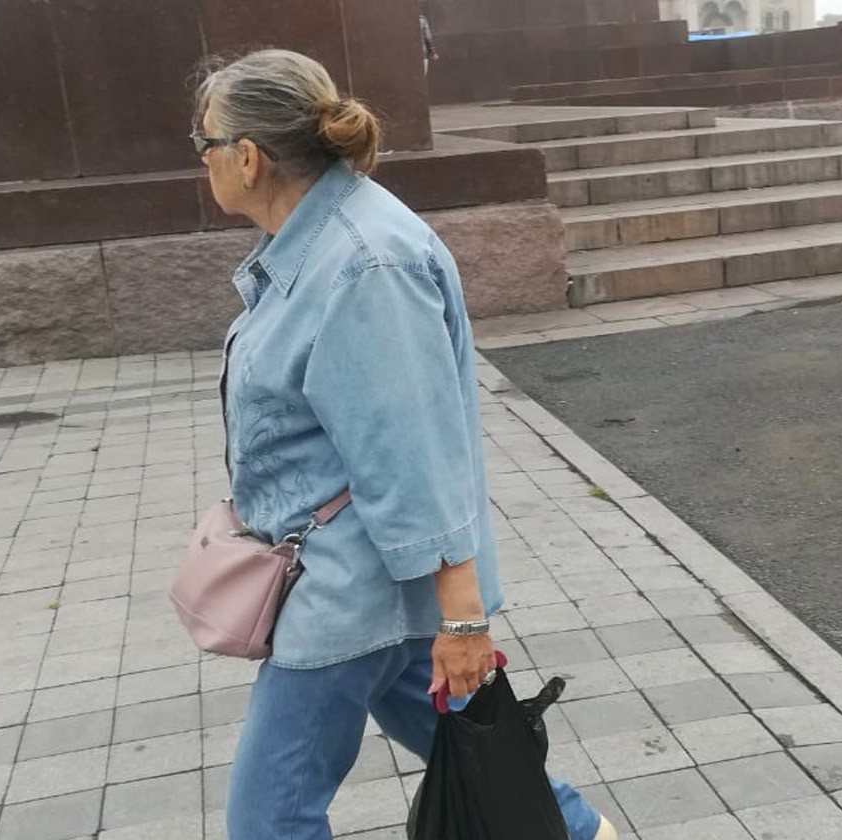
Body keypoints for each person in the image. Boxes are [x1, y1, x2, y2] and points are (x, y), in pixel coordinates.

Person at [189, 49, 617, 840]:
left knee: (269, 819)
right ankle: (579, 832)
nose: (202, 159)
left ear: (246, 157)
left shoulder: (364, 262)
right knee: (478, 755)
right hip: (367, 577)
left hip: (349, 590)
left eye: (204, 143)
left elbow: (414, 450)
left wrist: (465, 623)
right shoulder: (325, 241)